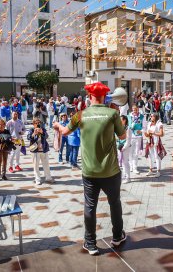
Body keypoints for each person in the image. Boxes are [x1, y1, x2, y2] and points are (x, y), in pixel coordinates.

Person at [54, 82, 127, 256]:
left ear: (90, 96)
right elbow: (122, 136)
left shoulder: (80, 115)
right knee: (115, 203)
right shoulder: (113, 114)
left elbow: (64, 132)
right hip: (111, 171)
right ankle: (117, 237)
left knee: (90, 206)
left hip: (89, 172)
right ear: (104, 96)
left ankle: (91, 243)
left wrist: (57, 126)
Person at [27, 117, 53, 185]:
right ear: (33, 124)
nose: (38, 124)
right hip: (35, 150)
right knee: (36, 165)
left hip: (43, 149)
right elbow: (28, 137)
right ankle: (37, 179)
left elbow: (47, 136)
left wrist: (42, 132)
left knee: (46, 164)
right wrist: (34, 134)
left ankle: (48, 178)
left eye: (39, 123)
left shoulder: (43, 129)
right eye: (36, 123)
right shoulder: (31, 129)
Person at [128, 105, 146, 174]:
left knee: (136, 152)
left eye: (135, 109)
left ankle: (135, 167)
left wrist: (141, 131)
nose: (134, 111)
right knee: (130, 152)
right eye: (133, 109)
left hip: (138, 137)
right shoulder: (129, 116)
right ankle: (130, 166)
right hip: (130, 136)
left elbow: (144, 127)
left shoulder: (142, 117)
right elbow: (126, 126)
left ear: (138, 109)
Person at [118, 115, 132, 183]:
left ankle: (128, 177)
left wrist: (124, 147)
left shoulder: (128, 128)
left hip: (125, 147)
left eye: (121, 120)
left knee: (125, 162)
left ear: (124, 120)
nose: (119, 121)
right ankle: (124, 175)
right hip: (119, 146)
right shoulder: (119, 128)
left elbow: (128, 139)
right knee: (122, 162)